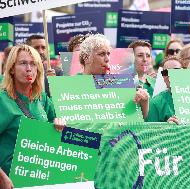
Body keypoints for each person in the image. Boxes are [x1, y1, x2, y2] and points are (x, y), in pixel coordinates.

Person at [0, 45, 65, 188]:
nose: (29, 68)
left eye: (33, 64)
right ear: (11, 68)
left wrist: (59, 126)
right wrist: (2, 178)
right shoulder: (2, 100)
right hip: (10, 182)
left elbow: (55, 135)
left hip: (39, 180)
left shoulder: (42, 98)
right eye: (23, 63)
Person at [79, 34, 150, 119]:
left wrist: (144, 102)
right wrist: (59, 123)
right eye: (102, 54)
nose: (107, 59)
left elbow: (136, 119)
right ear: (86, 57)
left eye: (108, 54)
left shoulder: (120, 83)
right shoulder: (70, 84)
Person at [146, 55, 182, 124]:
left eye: (175, 70)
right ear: (163, 77)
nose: (170, 75)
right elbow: (150, 132)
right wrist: (165, 127)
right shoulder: (155, 103)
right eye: (166, 72)